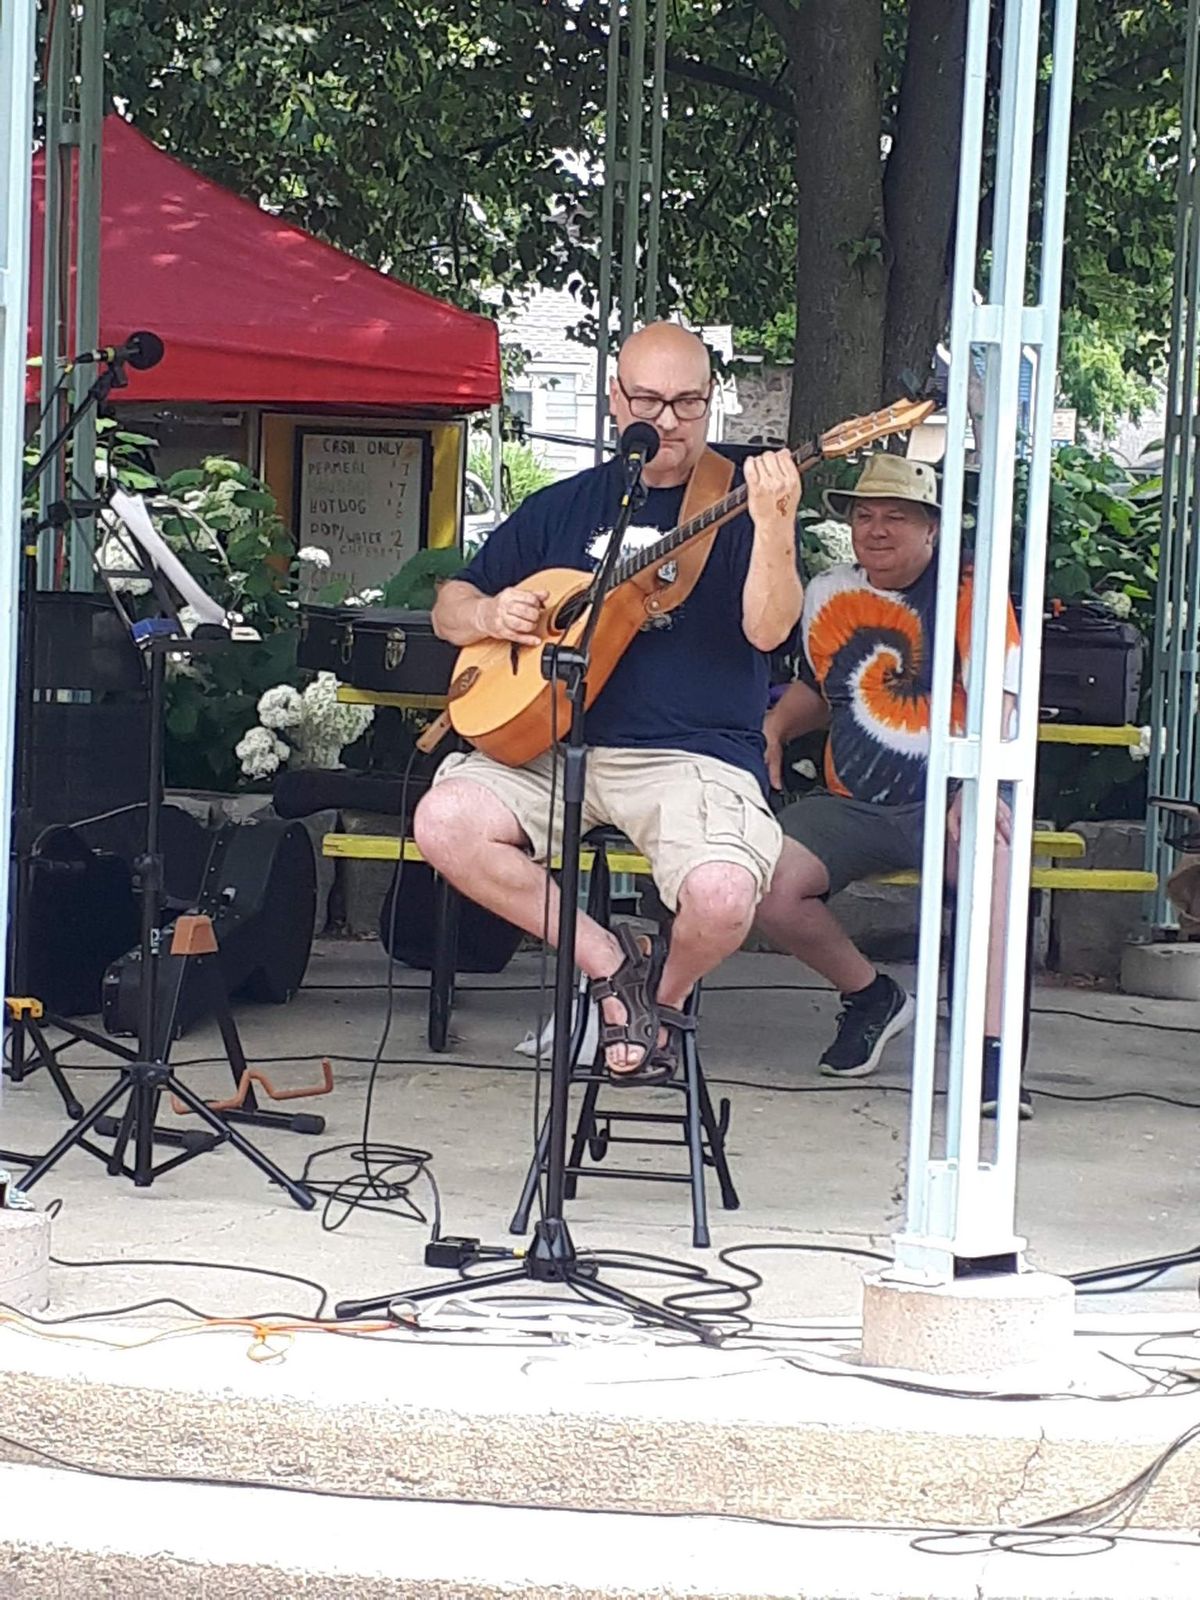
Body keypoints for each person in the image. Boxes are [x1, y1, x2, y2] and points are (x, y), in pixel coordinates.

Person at [414, 323, 803, 1082]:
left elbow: (769, 630)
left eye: (688, 402)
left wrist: (776, 526)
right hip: (554, 746)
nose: (668, 420)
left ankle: (658, 1002)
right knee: (444, 821)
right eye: (649, 401)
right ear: (615, 399)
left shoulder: (741, 506)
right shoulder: (564, 506)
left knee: (723, 896)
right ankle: (609, 963)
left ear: (711, 400)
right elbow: (449, 607)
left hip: (691, 755)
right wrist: (490, 614)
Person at [755, 452, 1032, 1118]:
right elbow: (827, 691)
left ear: (932, 528)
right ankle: (872, 996)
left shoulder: (971, 588)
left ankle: (992, 1056)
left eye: (897, 517)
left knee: (995, 868)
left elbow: (1002, 700)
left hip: (951, 794)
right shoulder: (827, 591)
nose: (876, 530)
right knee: (757, 876)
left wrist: (973, 783)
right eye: (865, 516)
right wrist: (774, 727)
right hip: (852, 802)